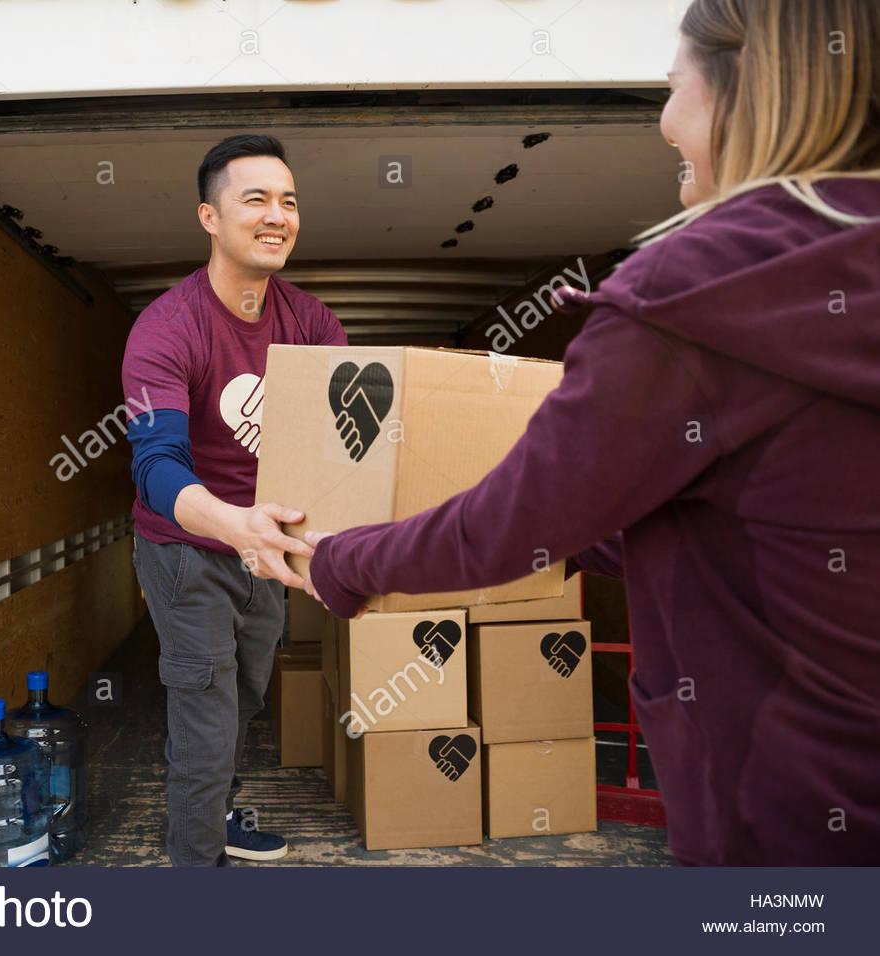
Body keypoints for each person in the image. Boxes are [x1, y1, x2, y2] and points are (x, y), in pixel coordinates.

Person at [305, 0, 880, 866]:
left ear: (744, 91)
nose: (663, 122)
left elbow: (505, 528)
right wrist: (582, 537)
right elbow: (771, 513)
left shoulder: (694, 291)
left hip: (789, 820)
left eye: (672, 87)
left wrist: (338, 561)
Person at [123, 134, 348, 866]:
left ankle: (217, 815)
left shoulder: (313, 324)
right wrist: (236, 527)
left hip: (264, 548)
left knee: (247, 693)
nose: (277, 214)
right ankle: (196, 867)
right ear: (210, 218)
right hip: (185, 548)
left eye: (289, 200)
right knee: (207, 715)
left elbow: (340, 448)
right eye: (255, 199)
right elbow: (156, 466)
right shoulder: (166, 328)